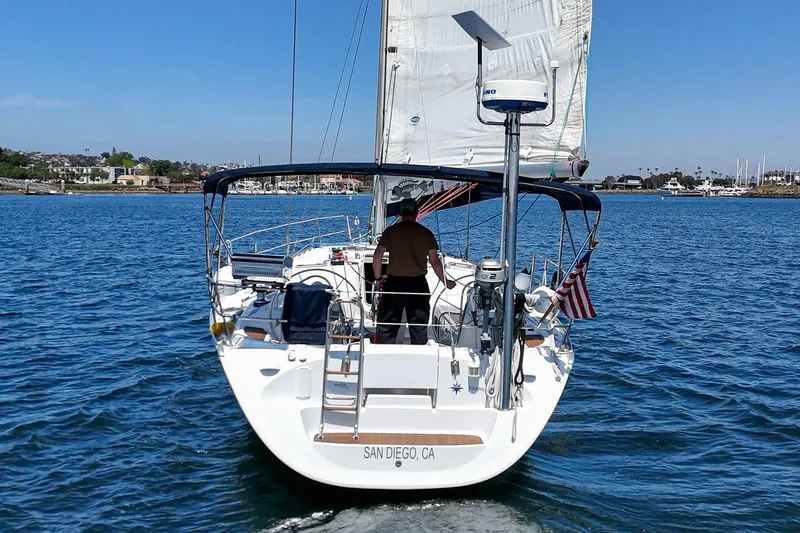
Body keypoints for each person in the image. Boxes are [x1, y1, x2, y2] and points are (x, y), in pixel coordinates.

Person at [372, 198, 456, 344]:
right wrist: (446, 282)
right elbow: (435, 262)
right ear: (416, 212)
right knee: (418, 327)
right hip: (417, 285)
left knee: (387, 326)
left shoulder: (391, 232)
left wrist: (378, 279)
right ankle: (419, 354)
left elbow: (377, 256)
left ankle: (384, 353)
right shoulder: (425, 234)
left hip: (394, 285)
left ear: (400, 213)